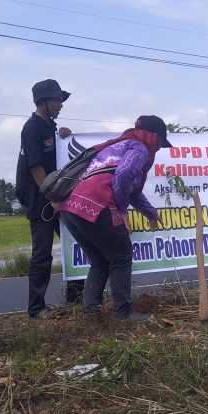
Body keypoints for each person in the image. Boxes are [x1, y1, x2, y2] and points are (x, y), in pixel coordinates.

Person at [58, 115, 171, 321]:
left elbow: (133, 190)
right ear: (153, 136)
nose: (159, 148)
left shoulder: (118, 146)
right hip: (96, 205)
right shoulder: (139, 148)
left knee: (100, 260)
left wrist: (151, 213)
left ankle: (89, 312)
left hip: (70, 208)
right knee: (121, 255)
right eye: (161, 143)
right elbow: (124, 174)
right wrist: (121, 210)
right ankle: (123, 313)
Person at [15, 78, 84, 318]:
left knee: (76, 244)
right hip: (42, 201)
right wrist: (52, 198)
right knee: (42, 254)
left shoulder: (50, 127)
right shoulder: (32, 128)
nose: (60, 104)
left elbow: (58, 158)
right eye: (57, 100)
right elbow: (35, 168)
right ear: (43, 101)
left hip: (58, 199)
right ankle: (36, 309)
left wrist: (64, 136)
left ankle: (76, 300)